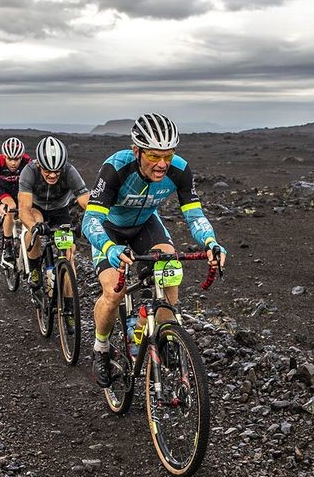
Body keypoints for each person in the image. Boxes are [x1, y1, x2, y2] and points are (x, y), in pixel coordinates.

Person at [81, 113, 226, 388]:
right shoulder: (116, 168)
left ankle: (160, 334)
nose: (162, 164)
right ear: (136, 151)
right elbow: (90, 220)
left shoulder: (180, 170)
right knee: (114, 292)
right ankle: (100, 347)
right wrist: (109, 248)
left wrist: (211, 242)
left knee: (169, 272)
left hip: (146, 224)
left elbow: (195, 216)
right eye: (153, 156)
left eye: (168, 155)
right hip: (110, 229)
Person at [18, 136, 89, 283]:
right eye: (47, 170)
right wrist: (34, 227)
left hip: (60, 211)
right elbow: (24, 209)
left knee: (69, 253)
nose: (52, 175)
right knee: (35, 228)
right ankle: (35, 270)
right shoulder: (29, 171)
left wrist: (93, 220)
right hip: (36, 208)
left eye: (57, 171)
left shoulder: (69, 171)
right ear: (39, 165)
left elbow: (86, 201)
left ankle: (69, 303)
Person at [0, 137, 30, 263]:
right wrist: (0, 205)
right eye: (9, 159)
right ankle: (7, 244)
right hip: (3, 190)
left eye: (16, 159)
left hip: (21, 190)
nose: (13, 163)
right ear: (4, 156)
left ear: (21, 157)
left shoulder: (28, 163)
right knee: (10, 208)